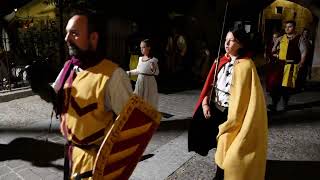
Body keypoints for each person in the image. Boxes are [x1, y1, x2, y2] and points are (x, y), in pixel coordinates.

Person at [28, 10, 132, 179]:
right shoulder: (69, 67)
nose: (67, 39)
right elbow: (56, 97)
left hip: (96, 163)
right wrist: (39, 87)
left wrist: (113, 167)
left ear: (93, 38)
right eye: (67, 33)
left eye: (74, 34)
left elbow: (131, 129)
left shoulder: (113, 75)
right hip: (71, 157)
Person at [188, 28, 268, 180]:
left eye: (231, 40)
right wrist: (205, 104)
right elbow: (209, 86)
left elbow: (250, 96)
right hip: (216, 110)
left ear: (240, 44)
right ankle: (221, 172)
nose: (227, 43)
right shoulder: (219, 60)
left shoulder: (247, 66)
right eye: (226, 39)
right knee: (219, 144)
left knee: (227, 144)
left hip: (233, 114)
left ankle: (220, 175)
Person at [269, 20, 308, 111]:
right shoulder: (281, 38)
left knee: (286, 87)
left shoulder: (300, 38)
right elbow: (273, 50)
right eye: (286, 27)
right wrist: (276, 48)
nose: (287, 28)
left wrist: (301, 63)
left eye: (289, 26)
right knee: (275, 85)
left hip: (291, 66)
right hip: (279, 65)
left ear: (294, 28)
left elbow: (304, 52)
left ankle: (284, 105)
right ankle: (274, 104)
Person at [127, 39, 159, 109]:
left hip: (149, 83)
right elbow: (138, 70)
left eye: (143, 47)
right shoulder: (140, 59)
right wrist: (129, 73)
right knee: (137, 98)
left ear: (149, 47)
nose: (141, 49)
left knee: (149, 100)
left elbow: (157, 73)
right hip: (140, 81)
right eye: (140, 47)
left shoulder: (153, 60)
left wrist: (153, 68)